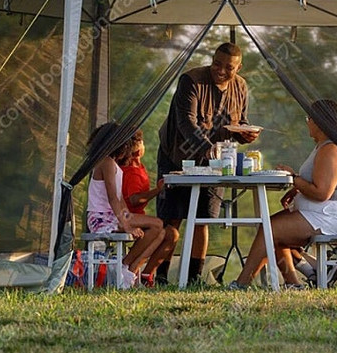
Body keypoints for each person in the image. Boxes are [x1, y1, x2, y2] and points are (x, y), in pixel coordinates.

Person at [146, 42, 261, 284]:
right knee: (172, 218)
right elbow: (186, 122)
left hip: (215, 163)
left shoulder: (240, 86)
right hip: (176, 156)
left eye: (228, 67)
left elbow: (239, 121)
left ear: (239, 67)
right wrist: (207, 147)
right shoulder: (191, 80)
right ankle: (159, 276)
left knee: (202, 218)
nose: (221, 70)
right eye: (217, 64)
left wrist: (245, 133)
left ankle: (194, 278)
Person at [228, 99, 337, 290]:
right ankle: (299, 279)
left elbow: (321, 192)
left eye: (308, 119)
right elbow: (322, 182)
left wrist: (294, 179)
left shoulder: (330, 150)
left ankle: (241, 284)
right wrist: (297, 189)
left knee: (270, 230)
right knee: (273, 229)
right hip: (331, 212)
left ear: (318, 122)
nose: (307, 123)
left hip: (336, 216)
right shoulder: (326, 146)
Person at [86, 123, 165, 288]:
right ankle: (125, 266)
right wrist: (127, 225)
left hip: (113, 215)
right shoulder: (106, 162)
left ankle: (127, 267)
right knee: (156, 225)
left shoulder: (113, 164)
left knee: (159, 227)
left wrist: (129, 218)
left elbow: (120, 199)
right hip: (101, 218)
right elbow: (112, 198)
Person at [118, 129, 165, 286]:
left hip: (137, 215)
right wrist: (157, 191)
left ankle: (132, 272)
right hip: (128, 216)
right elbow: (135, 199)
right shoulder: (131, 171)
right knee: (158, 225)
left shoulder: (139, 167)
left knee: (163, 233)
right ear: (138, 150)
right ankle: (125, 264)